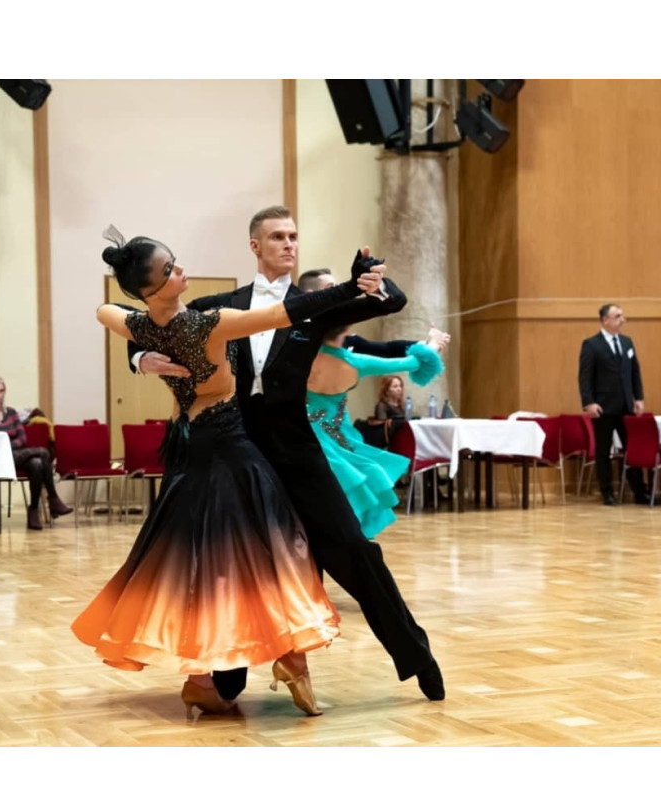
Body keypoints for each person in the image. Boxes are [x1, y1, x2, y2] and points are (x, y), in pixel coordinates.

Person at [131, 206, 446, 703]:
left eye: (294, 236)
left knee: (353, 549)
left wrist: (368, 277)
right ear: (255, 246)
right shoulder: (222, 305)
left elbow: (392, 301)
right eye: (277, 236)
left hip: (298, 451)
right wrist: (138, 358)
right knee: (234, 565)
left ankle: (417, 656)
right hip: (238, 452)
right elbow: (154, 326)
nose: (288, 244)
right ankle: (228, 675)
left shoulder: (314, 306)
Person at [75, 227, 384, 718]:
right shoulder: (209, 325)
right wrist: (349, 288)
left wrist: (140, 357)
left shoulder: (140, 325)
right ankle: (290, 658)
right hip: (233, 456)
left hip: (189, 459)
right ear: (151, 289)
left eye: (175, 261)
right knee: (276, 555)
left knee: (201, 567)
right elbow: (285, 313)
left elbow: (103, 310)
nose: (181, 270)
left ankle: (207, 676)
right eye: (169, 270)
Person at [306, 323, 444, 538]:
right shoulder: (356, 362)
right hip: (339, 436)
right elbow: (411, 362)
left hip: (306, 432)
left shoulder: (303, 357)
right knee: (355, 480)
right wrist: (433, 344)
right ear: (347, 329)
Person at [578, 303, 650, 506]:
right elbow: (584, 377)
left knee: (632, 449)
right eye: (618, 316)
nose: (622, 319)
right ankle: (607, 492)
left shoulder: (627, 343)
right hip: (603, 407)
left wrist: (638, 398)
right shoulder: (591, 345)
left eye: (622, 315)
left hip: (626, 406)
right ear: (605, 320)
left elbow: (635, 372)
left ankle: (639, 491)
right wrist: (589, 403)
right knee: (604, 451)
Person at [0, 377, 72, 530]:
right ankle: (53, 498)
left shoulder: (11, 413)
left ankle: (33, 509)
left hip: (17, 455)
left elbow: (22, 438)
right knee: (43, 452)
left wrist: (7, 445)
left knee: (37, 463)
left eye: (1, 391)